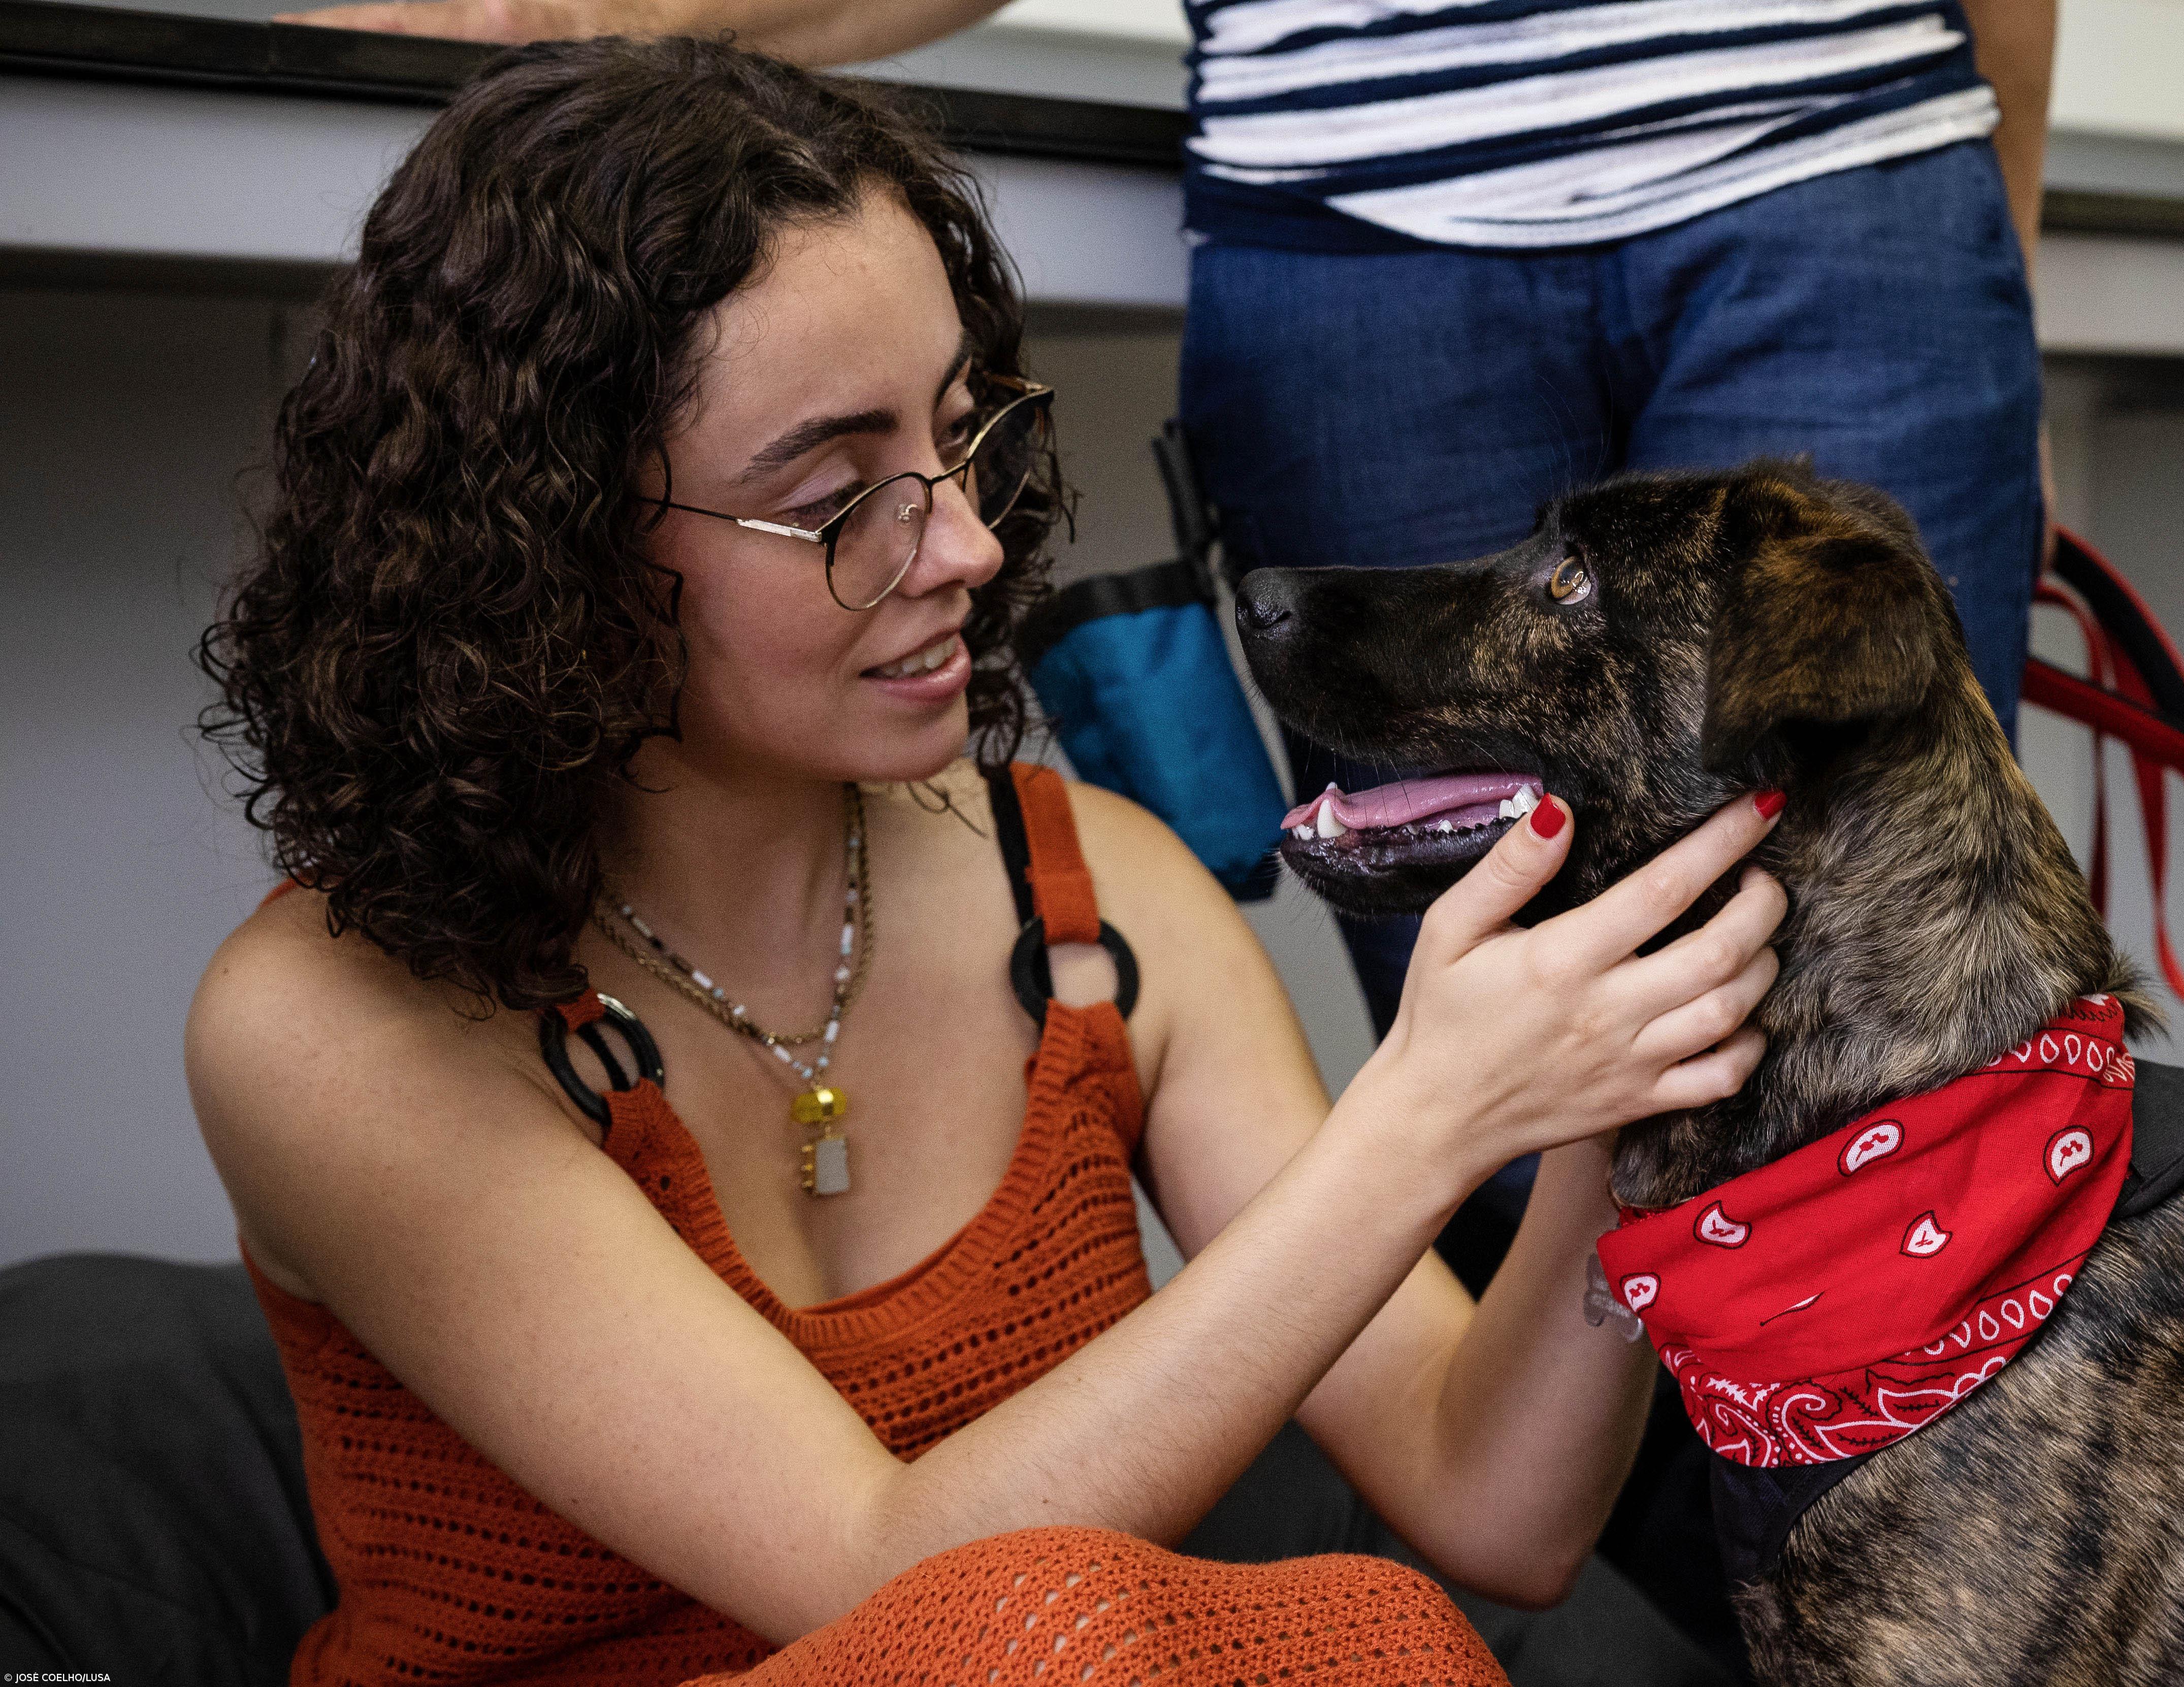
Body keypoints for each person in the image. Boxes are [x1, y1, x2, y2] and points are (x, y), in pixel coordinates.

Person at [186, 37, 1789, 1684]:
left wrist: (1607, 1086)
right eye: (836, 497)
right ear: (556, 538)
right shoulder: (326, 1018)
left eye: (961, 437)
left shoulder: (1100, 902)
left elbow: (1500, 1507)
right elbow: (890, 1586)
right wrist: (1426, 1115)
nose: (961, 542)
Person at [277, 0, 2057, 1055]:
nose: (969, 556)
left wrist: (2000, 292)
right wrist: (555, 20)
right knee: (1489, 997)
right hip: (1355, 231)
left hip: (1844, 182)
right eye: (837, 494)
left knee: (1885, 974)